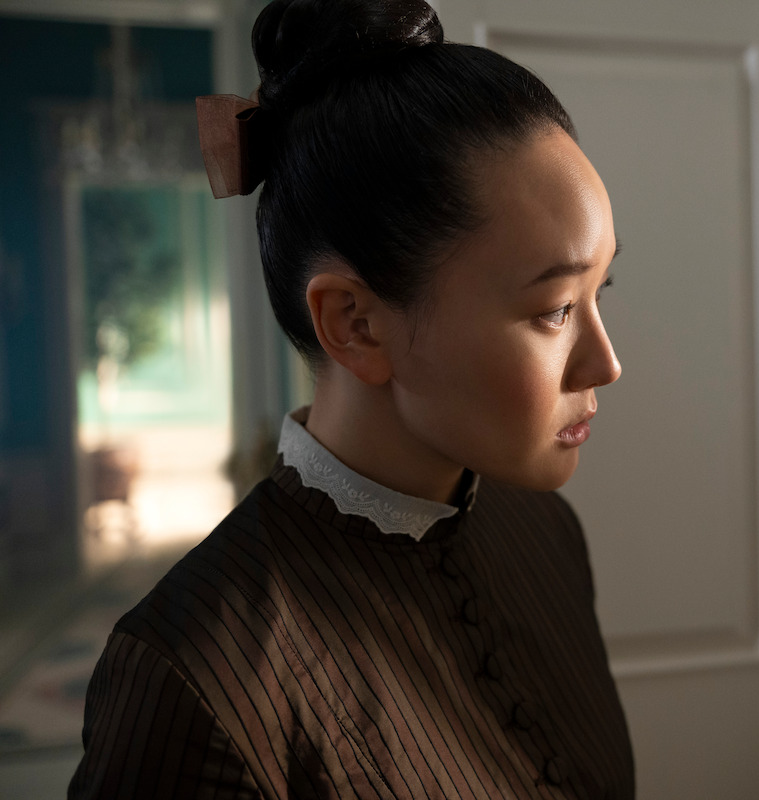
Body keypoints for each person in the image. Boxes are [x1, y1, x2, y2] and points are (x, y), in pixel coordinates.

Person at [67, 0, 634, 796]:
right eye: (556, 310)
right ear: (355, 324)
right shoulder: (196, 679)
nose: (607, 364)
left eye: (600, 290)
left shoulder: (546, 532)